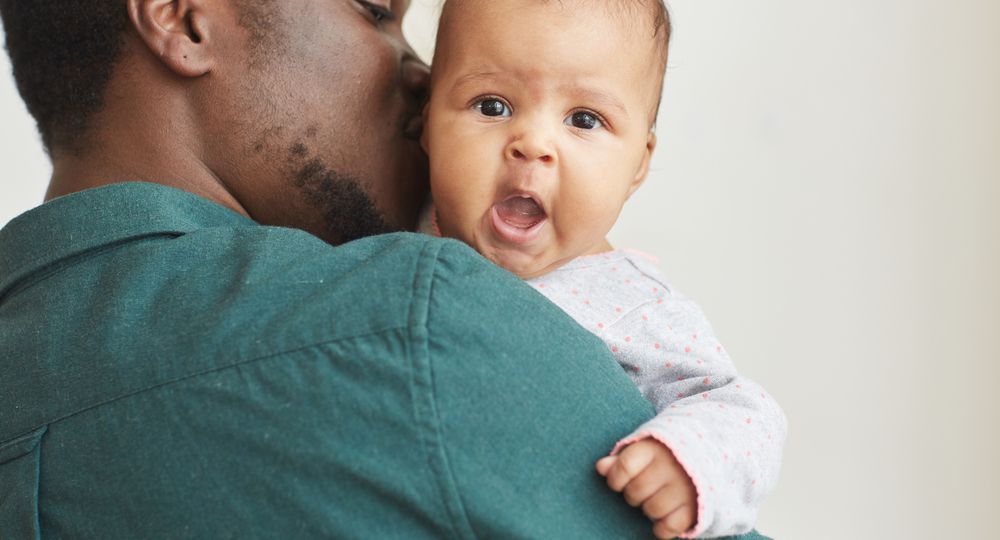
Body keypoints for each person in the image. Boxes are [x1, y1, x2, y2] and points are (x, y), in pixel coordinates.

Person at [0, 1, 769, 539]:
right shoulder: (418, 318)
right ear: (183, 16)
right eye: (374, 10)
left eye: (585, 119)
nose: (425, 75)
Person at [419, 1, 787, 537]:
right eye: (492, 106)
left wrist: (685, 461)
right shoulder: (404, 223)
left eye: (583, 119)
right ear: (426, 122)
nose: (533, 144)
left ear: (638, 163)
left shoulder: (634, 306)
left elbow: (746, 412)